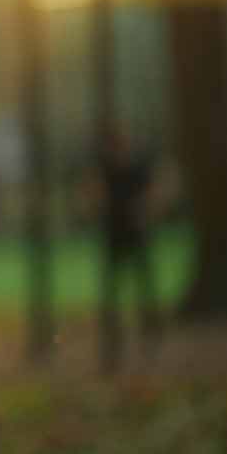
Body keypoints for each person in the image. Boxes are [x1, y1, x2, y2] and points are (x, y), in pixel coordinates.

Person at [91, 121, 162, 370]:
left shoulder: (138, 167)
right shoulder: (106, 169)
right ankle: (114, 334)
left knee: (143, 284)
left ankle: (150, 329)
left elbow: (153, 193)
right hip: (114, 235)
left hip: (135, 234)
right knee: (113, 287)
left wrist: (144, 211)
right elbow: (94, 195)